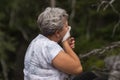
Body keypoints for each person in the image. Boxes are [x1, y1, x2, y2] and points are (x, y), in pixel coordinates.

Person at [23, 7, 97, 80]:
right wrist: (65, 43)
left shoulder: (36, 41)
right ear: (57, 33)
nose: (68, 28)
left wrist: (67, 48)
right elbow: (77, 69)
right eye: (66, 26)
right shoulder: (49, 47)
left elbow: (64, 67)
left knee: (90, 75)